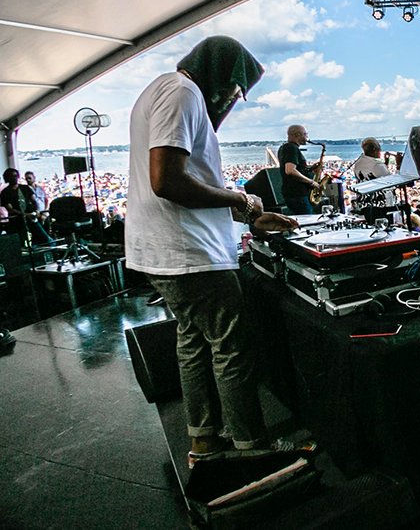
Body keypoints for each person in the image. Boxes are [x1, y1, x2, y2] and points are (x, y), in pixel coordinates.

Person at [126, 36, 306, 467]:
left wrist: (248, 218)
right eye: (232, 89)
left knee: (192, 341)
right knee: (231, 348)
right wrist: (238, 200)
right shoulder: (182, 92)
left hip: (168, 253)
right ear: (218, 72)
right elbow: (167, 181)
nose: (231, 99)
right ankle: (252, 446)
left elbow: (186, 178)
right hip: (190, 255)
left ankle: (204, 442)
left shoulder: (159, 89)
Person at [1, 168, 51, 246]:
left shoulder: (25, 188)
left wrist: (36, 211)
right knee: (20, 243)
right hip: (17, 221)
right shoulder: (5, 193)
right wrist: (25, 214)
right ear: (7, 178)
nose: (14, 178)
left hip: (31, 218)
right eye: (12, 176)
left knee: (43, 238)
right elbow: (10, 210)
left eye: (15, 176)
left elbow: (34, 201)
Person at [278, 124, 320, 214]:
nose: (307, 137)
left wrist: (309, 169)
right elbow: (290, 170)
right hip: (298, 195)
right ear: (298, 135)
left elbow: (294, 168)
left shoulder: (284, 148)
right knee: (308, 221)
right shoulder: (291, 148)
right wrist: (312, 182)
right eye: (305, 134)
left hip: (293, 194)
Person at [351, 137, 395, 221]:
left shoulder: (358, 163)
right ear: (375, 150)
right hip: (380, 204)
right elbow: (392, 180)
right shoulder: (377, 165)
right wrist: (399, 165)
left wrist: (385, 164)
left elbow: (374, 173)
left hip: (365, 203)